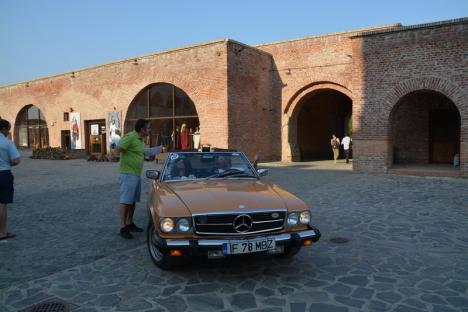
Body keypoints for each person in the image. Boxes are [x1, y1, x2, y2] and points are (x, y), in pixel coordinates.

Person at [115, 119, 163, 239]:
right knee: (126, 200)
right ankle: (123, 227)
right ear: (142, 129)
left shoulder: (141, 140)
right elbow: (118, 149)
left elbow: (139, 152)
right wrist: (121, 157)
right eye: (148, 128)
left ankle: (129, 223)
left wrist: (153, 152)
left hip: (136, 174)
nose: (149, 130)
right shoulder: (130, 137)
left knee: (132, 201)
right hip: (127, 174)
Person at [0, 119, 20, 240]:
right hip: (3, 175)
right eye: (8, 129)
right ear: (3, 129)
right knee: (2, 205)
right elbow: (16, 160)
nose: (9, 132)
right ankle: (2, 232)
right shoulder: (7, 143)